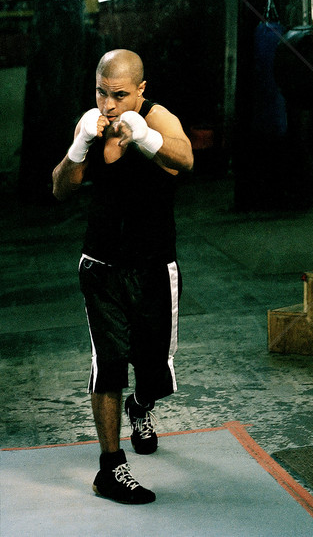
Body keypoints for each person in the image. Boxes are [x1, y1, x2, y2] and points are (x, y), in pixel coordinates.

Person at [52, 49, 194, 505]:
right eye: (101, 92)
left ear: (140, 90)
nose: (108, 105)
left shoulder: (159, 118)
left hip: (153, 265)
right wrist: (78, 149)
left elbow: (186, 160)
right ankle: (110, 469)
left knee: (154, 370)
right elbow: (59, 188)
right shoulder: (89, 126)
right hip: (101, 265)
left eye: (119, 95)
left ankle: (141, 407)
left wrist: (145, 138)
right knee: (109, 364)